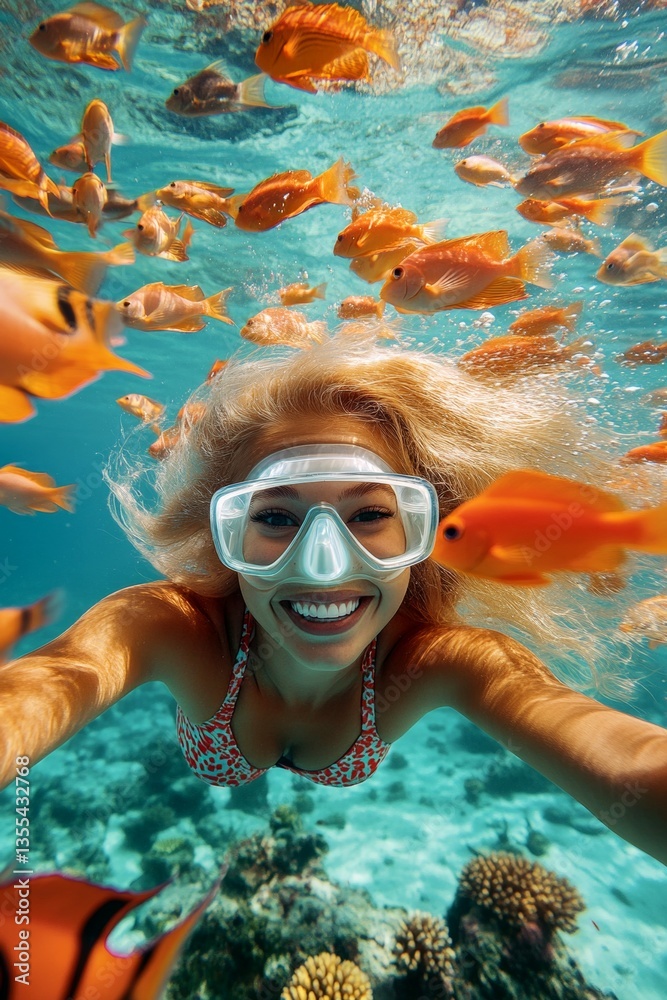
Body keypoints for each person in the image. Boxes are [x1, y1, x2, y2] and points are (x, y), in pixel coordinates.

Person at [1, 329, 666, 866]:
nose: (323, 568)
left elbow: (626, 761)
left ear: (428, 529)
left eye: (370, 515)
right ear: (221, 533)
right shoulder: (166, 627)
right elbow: (37, 696)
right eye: (275, 518)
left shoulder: (440, 661)